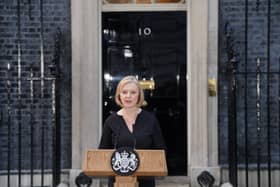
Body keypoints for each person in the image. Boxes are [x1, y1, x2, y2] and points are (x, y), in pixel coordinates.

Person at [99, 75, 166, 187]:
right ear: (119, 95)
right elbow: (102, 152)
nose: (128, 96)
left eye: (133, 92)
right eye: (124, 92)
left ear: (139, 95)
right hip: (118, 181)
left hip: (145, 181)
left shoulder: (150, 120)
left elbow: (161, 150)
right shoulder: (111, 121)